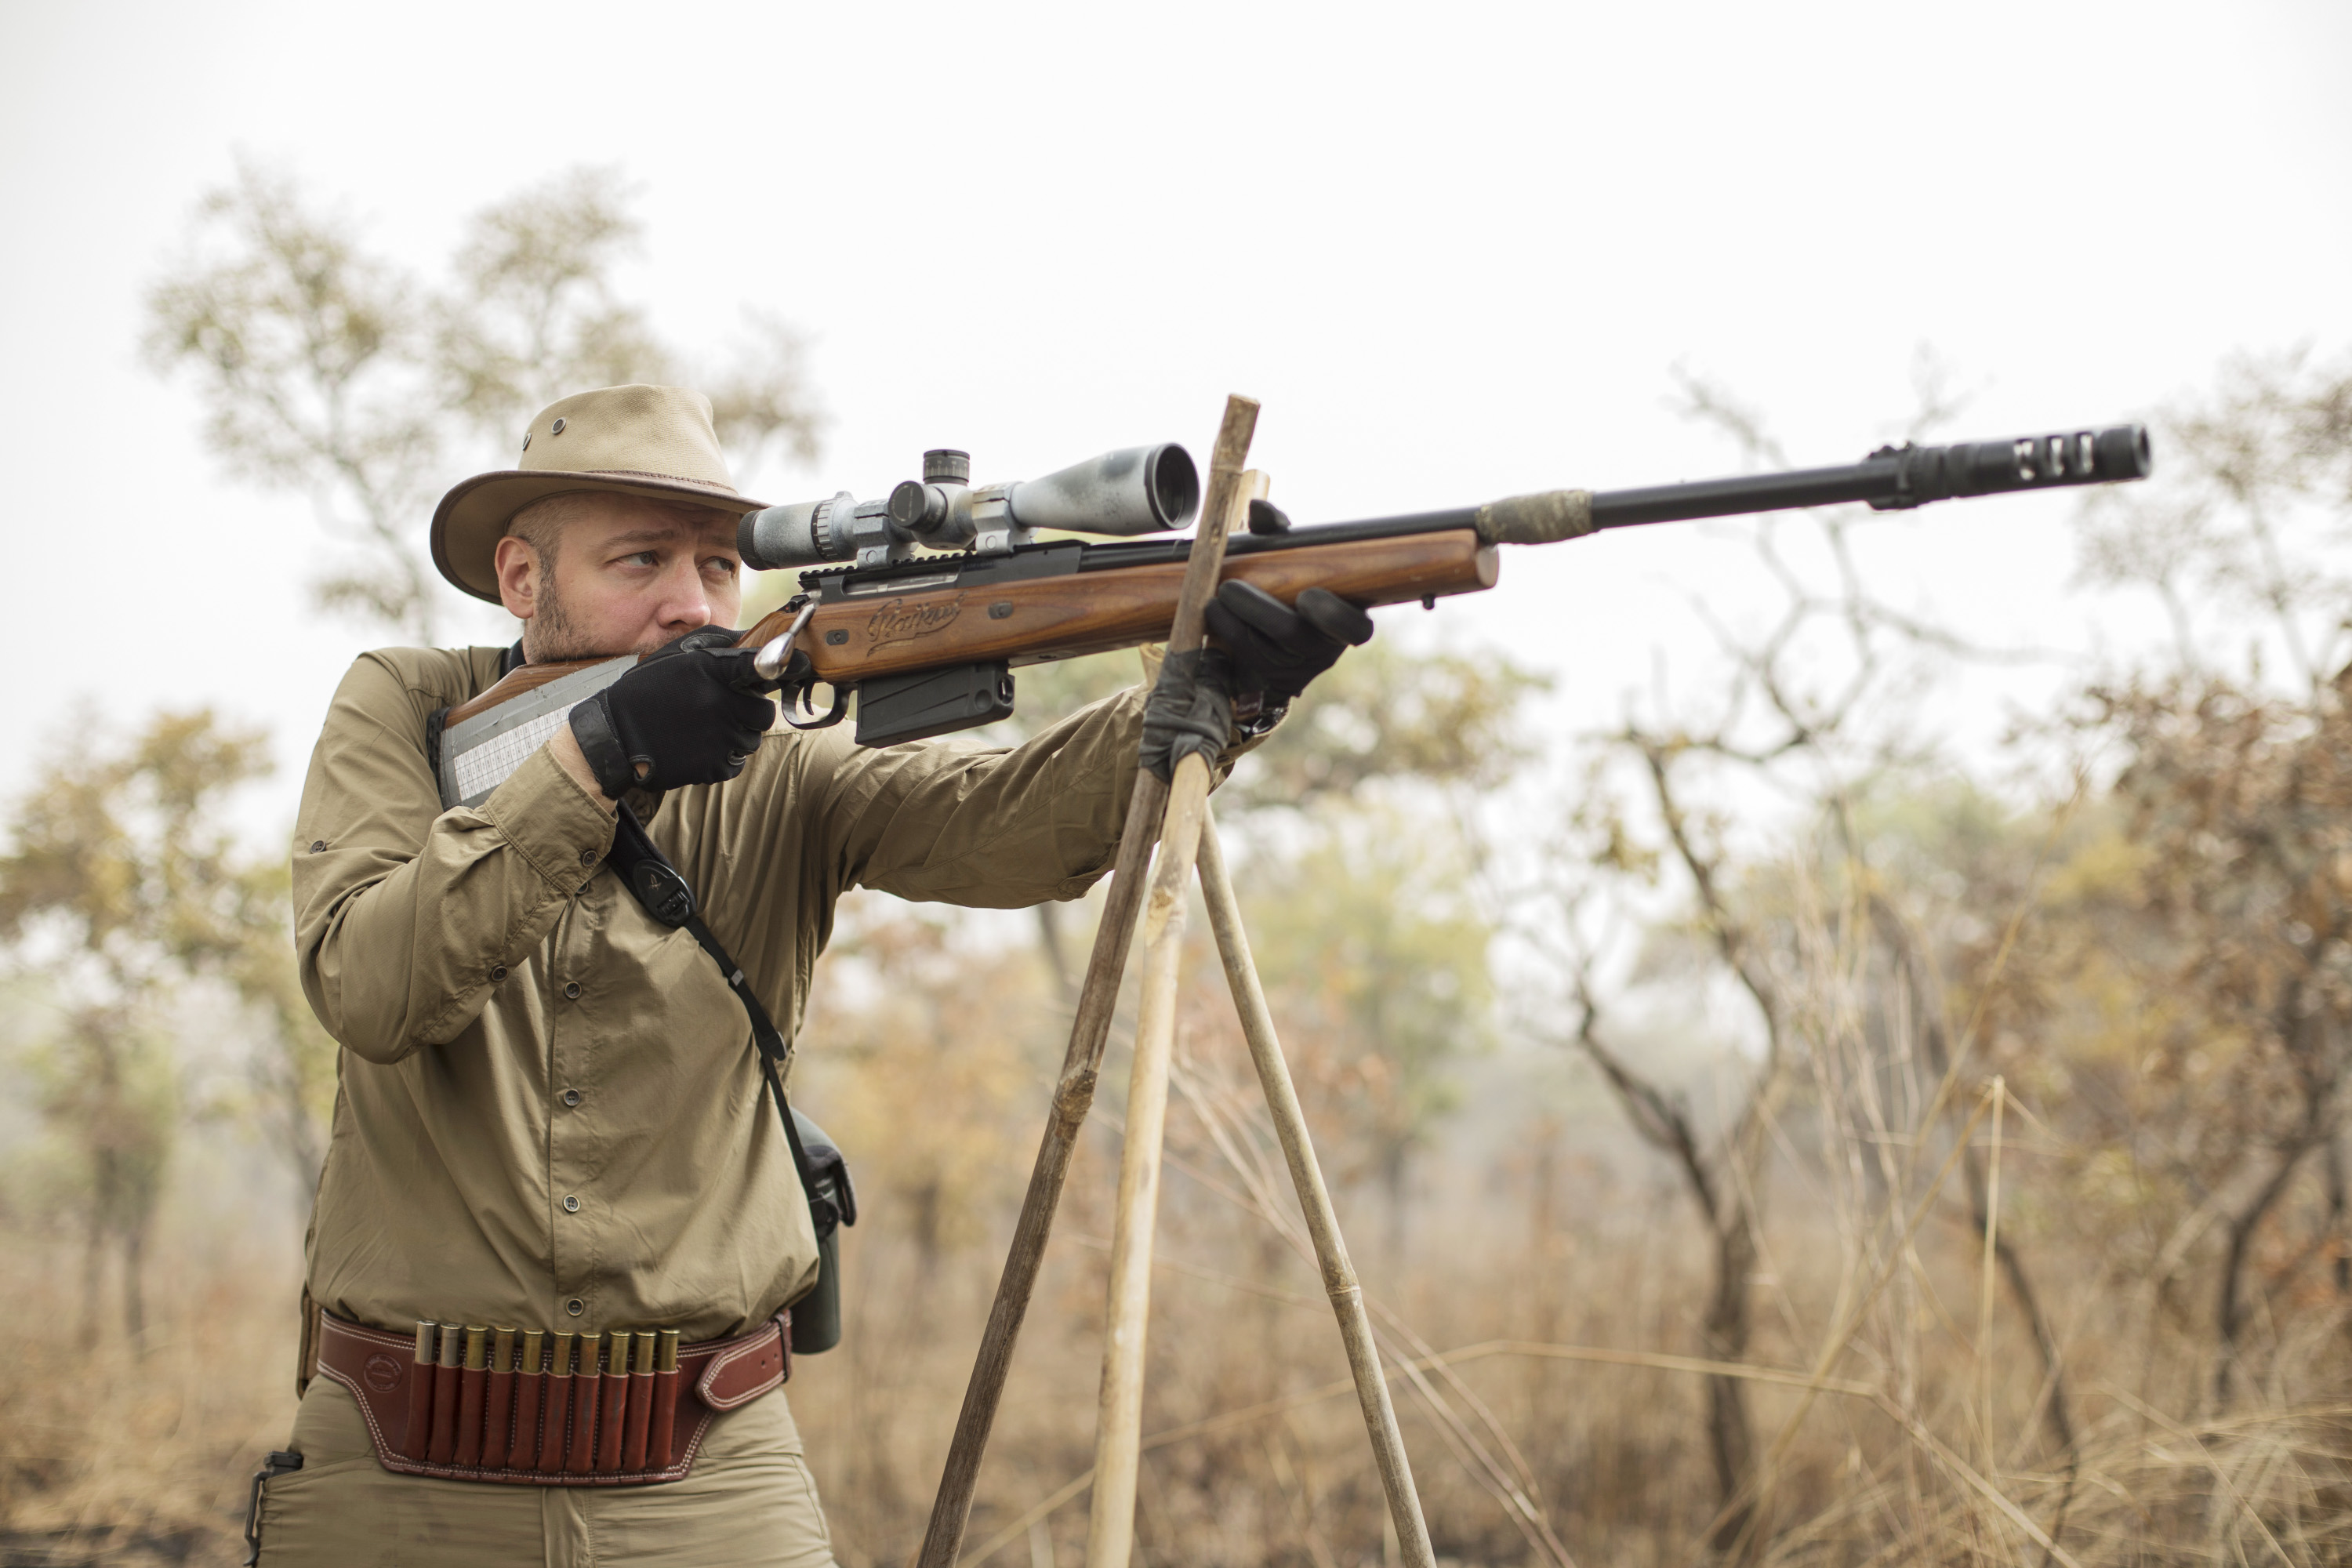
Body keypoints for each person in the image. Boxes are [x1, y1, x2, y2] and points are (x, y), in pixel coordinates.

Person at [247, 383, 1367, 1566]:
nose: (692, 603)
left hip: (710, 1476)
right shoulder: (410, 710)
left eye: (721, 567)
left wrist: (1218, 694)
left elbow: (1009, 824)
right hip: (398, 1468)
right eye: (641, 562)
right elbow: (375, 987)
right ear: (523, 582)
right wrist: (595, 758)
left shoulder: (776, 756)